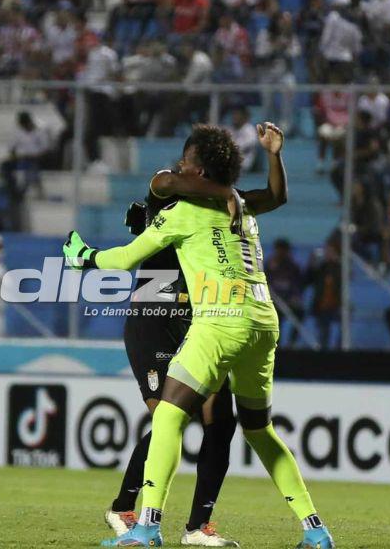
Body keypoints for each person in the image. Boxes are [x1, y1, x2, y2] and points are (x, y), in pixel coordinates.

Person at [64, 123, 335, 549]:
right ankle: (316, 531)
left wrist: (86, 259)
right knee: (260, 429)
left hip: (219, 321)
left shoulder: (184, 210)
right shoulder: (242, 208)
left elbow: (125, 258)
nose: (177, 167)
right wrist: (269, 159)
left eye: (186, 162)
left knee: (169, 415)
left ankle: (146, 528)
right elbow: (277, 196)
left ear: (199, 170)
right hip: (263, 320)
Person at [104, 176, 243, 548]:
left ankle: (198, 527)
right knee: (173, 416)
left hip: (196, 322)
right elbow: (161, 183)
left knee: (221, 420)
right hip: (152, 320)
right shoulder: (170, 202)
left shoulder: (213, 212)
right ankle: (122, 508)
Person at [266, 239, 306, 347]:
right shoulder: (270, 265)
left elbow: (298, 284)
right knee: (275, 323)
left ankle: (291, 343)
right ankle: (275, 345)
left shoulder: (293, 267)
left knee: (299, 313)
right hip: (274, 302)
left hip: (288, 301)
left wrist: (295, 297)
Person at [305, 238, 342, 349]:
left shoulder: (341, 268)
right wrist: (311, 264)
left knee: (342, 327)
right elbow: (308, 280)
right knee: (322, 330)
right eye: (327, 250)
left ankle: (338, 349)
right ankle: (323, 349)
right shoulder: (321, 268)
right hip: (321, 305)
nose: (327, 253)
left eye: (330, 251)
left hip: (336, 305)